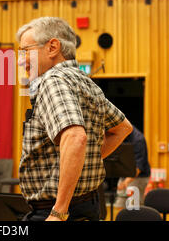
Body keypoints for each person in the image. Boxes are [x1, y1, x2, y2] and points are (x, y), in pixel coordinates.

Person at [16, 17, 133, 221]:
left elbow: (76, 137)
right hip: (87, 205)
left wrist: (59, 211)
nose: (20, 60)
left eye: (25, 50)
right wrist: (84, 161)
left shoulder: (53, 81)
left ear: (52, 47)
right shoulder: (85, 82)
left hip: (58, 211)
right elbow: (123, 128)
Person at [114, 125, 151, 207]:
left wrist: (126, 182)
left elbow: (138, 168)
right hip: (125, 175)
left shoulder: (138, 140)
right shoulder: (120, 135)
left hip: (139, 177)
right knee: (120, 205)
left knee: (134, 207)